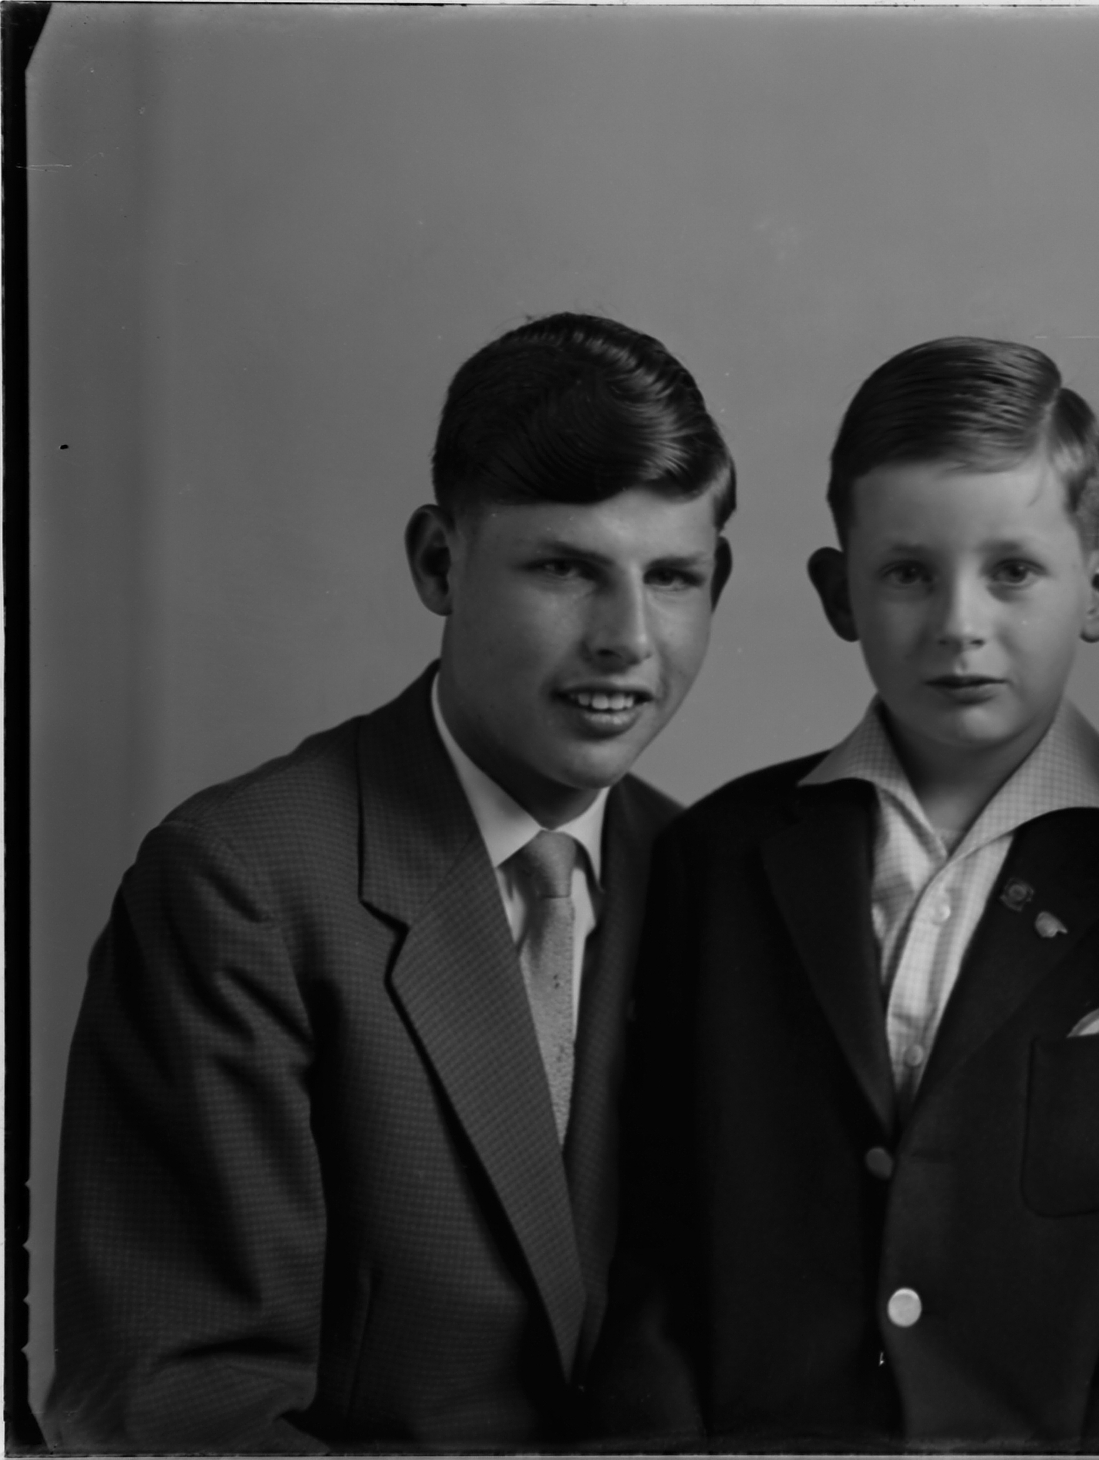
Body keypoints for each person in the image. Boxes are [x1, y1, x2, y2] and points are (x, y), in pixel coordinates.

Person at [590, 337, 1099, 1448]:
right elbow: (656, 1220)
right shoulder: (718, 858)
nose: (959, 623)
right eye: (909, 573)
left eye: (1012, 571)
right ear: (839, 591)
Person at [45, 313, 736, 1450]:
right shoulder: (243, 887)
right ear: (437, 561)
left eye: (672, 577)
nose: (627, 638)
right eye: (563, 568)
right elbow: (176, 1407)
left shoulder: (717, 883)